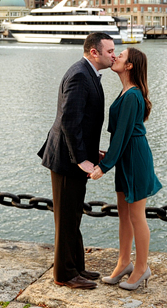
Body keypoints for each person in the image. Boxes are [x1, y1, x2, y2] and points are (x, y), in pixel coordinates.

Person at [38, 32, 116, 290]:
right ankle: (64, 274)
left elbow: (84, 122)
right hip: (66, 160)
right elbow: (69, 122)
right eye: (109, 51)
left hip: (73, 157)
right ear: (94, 52)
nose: (113, 55)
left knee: (73, 216)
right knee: (66, 218)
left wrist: (93, 154)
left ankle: (77, 267)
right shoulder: (81, 75)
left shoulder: (87, 73)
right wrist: (82, 159)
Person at [90, 47, 162, 291]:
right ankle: (124, 263)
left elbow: (122, 134)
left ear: (130, 65)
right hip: (125, 156)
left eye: (120, 55)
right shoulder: (126, 92)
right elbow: (120, 135)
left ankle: (142, 268)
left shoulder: (132, 95)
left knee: (136, 215)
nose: (115, 57)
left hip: (136, 158)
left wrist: (104, 165)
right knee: (124, 214)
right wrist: (109, 155)